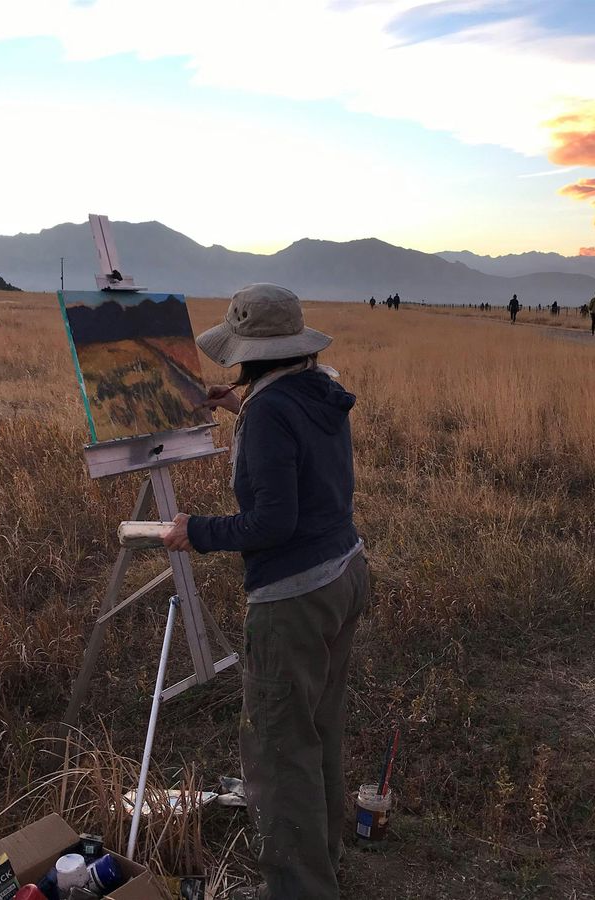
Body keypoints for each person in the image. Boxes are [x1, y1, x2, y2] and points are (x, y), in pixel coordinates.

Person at [163, 284, 368, 900]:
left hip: (294, 598)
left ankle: (300, 889)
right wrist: (241, 407)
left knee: (279, 751)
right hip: (343, 574)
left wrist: (195, 531)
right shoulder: (317, 387)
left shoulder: (270, 412)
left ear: (249, 351)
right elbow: (293, 443)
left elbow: (272, 523)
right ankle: (322, 864)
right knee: (317, 729)